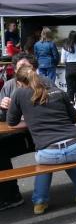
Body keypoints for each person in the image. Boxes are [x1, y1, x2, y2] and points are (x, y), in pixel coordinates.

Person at [7, 66, 76, 215]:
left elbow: (11, 121)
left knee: (46, 163)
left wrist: (31, 120)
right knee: (68, 158)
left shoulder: (19, 93)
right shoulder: (58, 91)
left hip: (49, 153)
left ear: (20, 82)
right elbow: (74, 118)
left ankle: (40, 202)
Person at [0, 53, 48, 211]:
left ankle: (11, 196)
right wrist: (2, 106)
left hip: (38, 134)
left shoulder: (44, 84)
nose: (21, 71)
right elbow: (3, 119)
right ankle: (10, 195)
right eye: (18, 68)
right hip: (17, 133)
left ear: (33, 69)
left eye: (25, 68)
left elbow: (50, 114)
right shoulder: (9, 86)